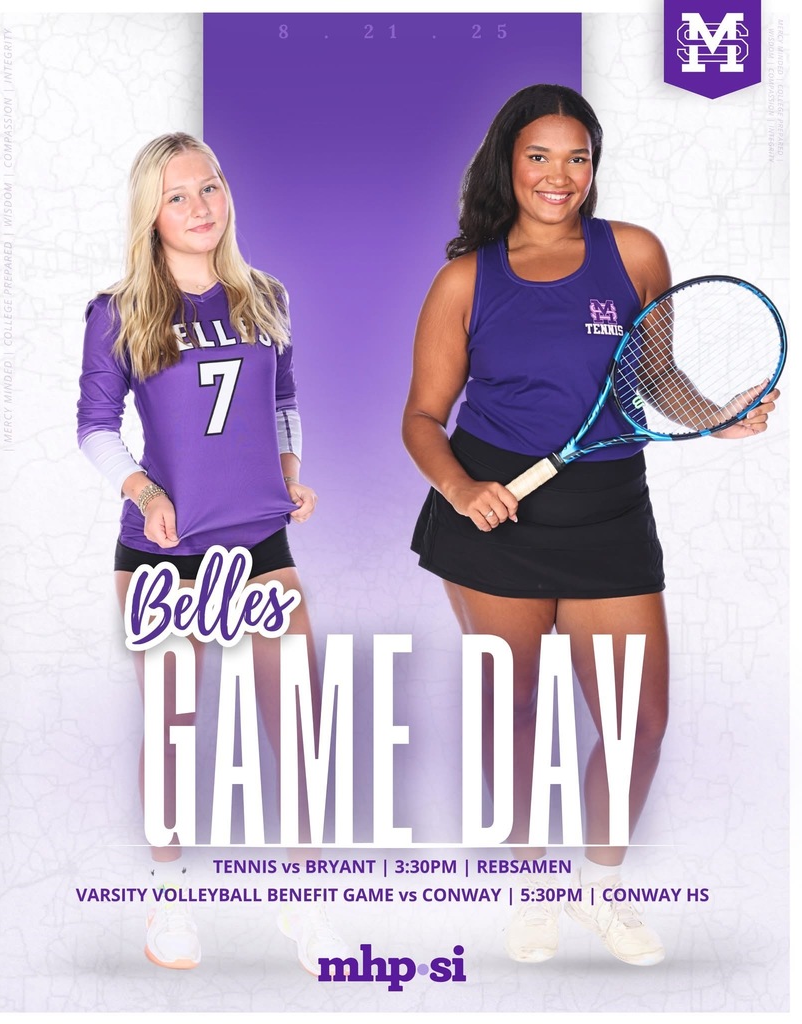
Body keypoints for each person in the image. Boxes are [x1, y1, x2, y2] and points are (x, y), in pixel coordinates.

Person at [402, 85, 779, 967]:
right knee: (515, 709)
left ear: (593, 166)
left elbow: (655, 375)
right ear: (507, 163)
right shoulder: (465, 279)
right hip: (495, 516)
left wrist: (713, 415)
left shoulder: (634, 253)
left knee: (636, 720)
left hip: (608, 511)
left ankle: (600, 888)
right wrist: (461, 489)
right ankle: (530, 886)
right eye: (538, 156)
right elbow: (421, 418)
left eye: (576, 157)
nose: (558, 175)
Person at [77, 132, 345, 973]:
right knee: (173, 727)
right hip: (163, 552)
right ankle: (171, 902)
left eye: (210, 187)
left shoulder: (264, 296)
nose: (200, 207)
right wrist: (144, 493)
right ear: (150, 214)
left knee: (297, 721)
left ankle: (305, 905)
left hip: (259, 541)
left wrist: (291, 472)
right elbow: (95, 427)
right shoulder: (119, 309)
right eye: (177, 196)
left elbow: (284, 402)